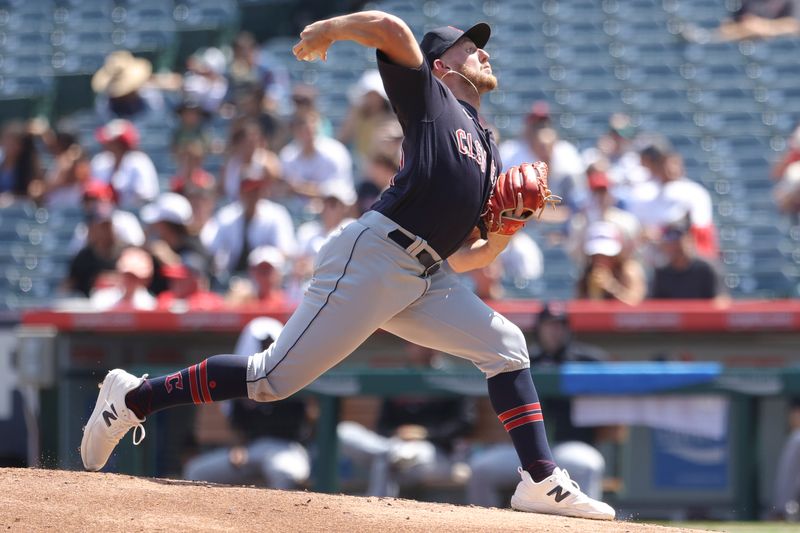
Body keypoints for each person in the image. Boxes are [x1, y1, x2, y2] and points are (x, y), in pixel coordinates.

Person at [79, 12, 614, 520]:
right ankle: (132, 397)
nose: (483, 52)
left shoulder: (488, 148)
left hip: (425, 275)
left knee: (507, 348)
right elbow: (389, 27)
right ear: (441, 64)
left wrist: (505, 233)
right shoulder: (429, 97)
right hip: (374, 255)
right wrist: (328, 30)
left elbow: (470, 257)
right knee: (271, 379)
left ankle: (539, 478)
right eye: (468, 46)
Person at [468, 303, 608, 507]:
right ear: (539, 329)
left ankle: (585, 524)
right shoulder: (521, 360)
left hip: (567, 446)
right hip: (525, 452)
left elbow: (610, 376)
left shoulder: (586, 360)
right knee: (481, 468)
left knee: (588, 464)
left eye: (560, 325)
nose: (555, 331)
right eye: (549, 325)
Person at [183, 318, 312, 489]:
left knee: (284, 473)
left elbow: (309, 424)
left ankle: (279, 516)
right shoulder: (241, 377)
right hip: (250, 449)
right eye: (262, 343)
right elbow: (236, 424)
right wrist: (238, 446)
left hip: (286, 448)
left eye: (270, 343)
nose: (265, 348)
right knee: (196, 471)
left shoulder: (292, 376)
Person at [338, 345, 475, 497]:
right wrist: (399, 432)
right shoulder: (401, 376)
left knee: (393, 456)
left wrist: (425, 434)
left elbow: (464, 423)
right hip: (394, 444)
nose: (417, 347)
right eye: (413, 343)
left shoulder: (452, 377)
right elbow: (382, 425)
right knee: (344, 431)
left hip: (434, 453)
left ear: (436, 348)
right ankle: (379, 503)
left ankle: (377, 505)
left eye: (424, 343)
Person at [649, 217, 728, 302]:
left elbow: (721, 302)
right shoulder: (662, 274)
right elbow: (655, 307)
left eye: (679, 239)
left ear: (690, 240)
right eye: (670, 241)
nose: (674, 245)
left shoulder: (707, 270)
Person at [90, 119, 159, 211]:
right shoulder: (100, 161)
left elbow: (146, 196)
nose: (107, 145)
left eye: (114, 142)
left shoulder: (139, 161)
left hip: (136, 214)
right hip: (106, 217)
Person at [576, 222, 647, 306]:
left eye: (606, 255)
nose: (600, 260)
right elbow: (579, 306)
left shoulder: (629, 270)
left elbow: (636, 304)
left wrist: (611, 286)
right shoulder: (586, 274)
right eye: (596, 255)